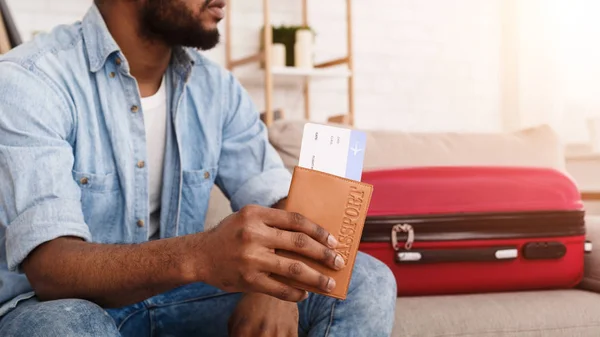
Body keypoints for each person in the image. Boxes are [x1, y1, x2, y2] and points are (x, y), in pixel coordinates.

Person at [0, 0, 396, 336]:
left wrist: (275, 287)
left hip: (182, 299)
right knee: (64, 323)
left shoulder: (217, 90)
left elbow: (282, 205)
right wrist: (201, 255)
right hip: (55, 306)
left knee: (366, 280)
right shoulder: (30, 81)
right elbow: (51, 270)